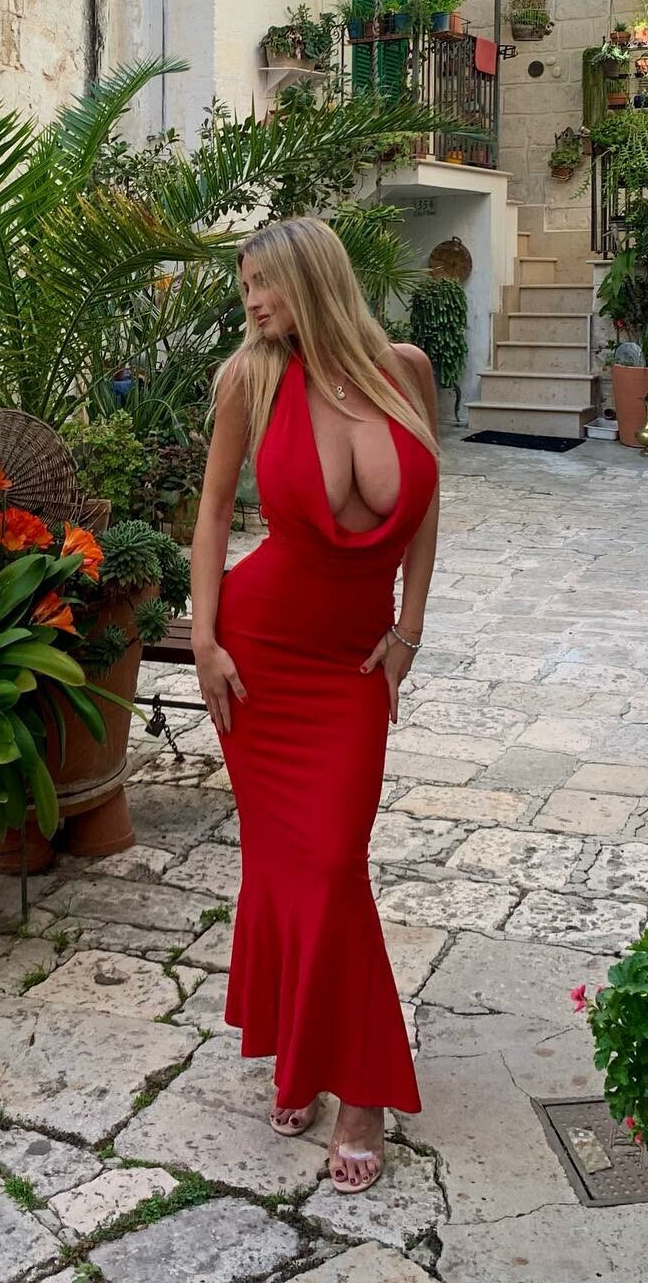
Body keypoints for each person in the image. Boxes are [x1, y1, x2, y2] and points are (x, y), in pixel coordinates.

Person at [190, 216, 441, 1194]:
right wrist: (204, 641)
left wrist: (409, 628)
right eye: (244, 284)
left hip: (350, 667)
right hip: (260, 657)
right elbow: (214, 512)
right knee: (294, 865)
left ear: (316, 280)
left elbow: (428, 504)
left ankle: (329, 1067)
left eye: (265, 282)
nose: (252, 301)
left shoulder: (405, 371)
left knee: (332, 862)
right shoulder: (249, 380)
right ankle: (331, 1076)